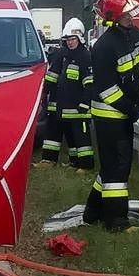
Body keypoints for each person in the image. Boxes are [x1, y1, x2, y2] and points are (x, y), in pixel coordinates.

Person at [84, 0, 139, 231]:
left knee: (112, 166)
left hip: (124, 111)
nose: (130, 17)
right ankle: (117, 222)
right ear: (113, 18)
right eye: (125, 15)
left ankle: (92, 212)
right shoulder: (104, 47)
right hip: (108, 115)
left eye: (131, 13)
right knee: (118, 169)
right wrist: (134, 112)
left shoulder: (135, 35)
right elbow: (107, 90)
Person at [40, 18, 94, 169]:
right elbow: (52, 77)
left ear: (80, 38)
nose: (70, 42)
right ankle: (50, 161)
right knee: (54, 134)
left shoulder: (85, 56)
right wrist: (44, 93)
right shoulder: (62, 55)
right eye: (67, 39)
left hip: (78, 108)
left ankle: (85, 166)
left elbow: (90, 83)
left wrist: (85, 103)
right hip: (59, 106)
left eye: (72, 39)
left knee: (81, 139)